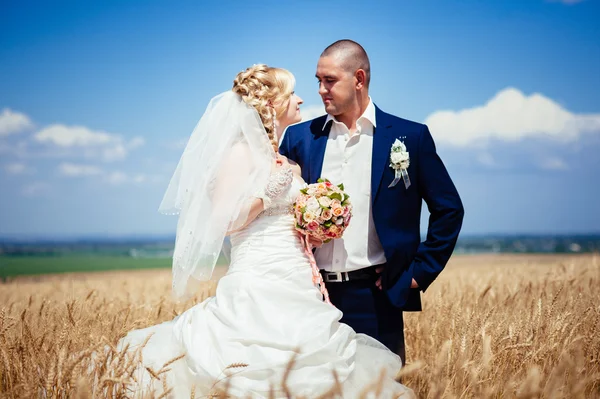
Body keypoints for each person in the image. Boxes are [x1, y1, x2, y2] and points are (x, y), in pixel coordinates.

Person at [115, 64, 415, 398]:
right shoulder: (238, 155)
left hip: (299, 282)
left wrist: (314, 228)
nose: (302, 99)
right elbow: (223, 224)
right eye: (292, 94)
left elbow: (284, 218)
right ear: (272, 105)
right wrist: (265, 196)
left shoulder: (288, 162)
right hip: (259, 281)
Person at [280, 40, 465, 365]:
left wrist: (418, 272)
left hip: (376, 297)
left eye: (330, 80)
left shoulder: (410, 137)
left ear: (359, 79)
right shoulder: (300, 138)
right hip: (310, 297)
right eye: (318, 80)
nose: (321, 90)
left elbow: (448, 209)